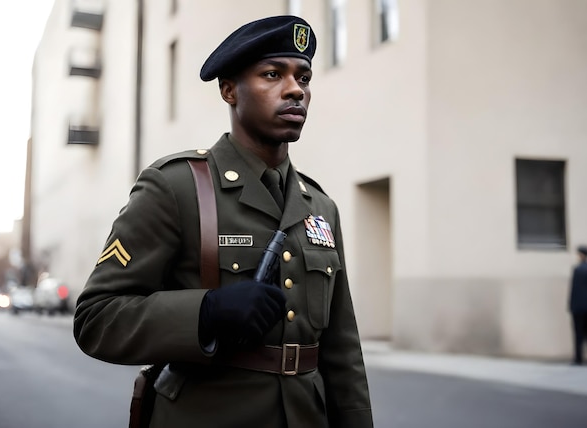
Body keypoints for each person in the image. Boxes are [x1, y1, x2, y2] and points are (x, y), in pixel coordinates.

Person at [73, 15, 373, 428]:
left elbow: (341, 351)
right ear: (230, 90)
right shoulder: (176, 187)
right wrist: (205, 311)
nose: (295, 90)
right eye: (273, 74)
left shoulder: (320, 205)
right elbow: (97, 318)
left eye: (303, 78)